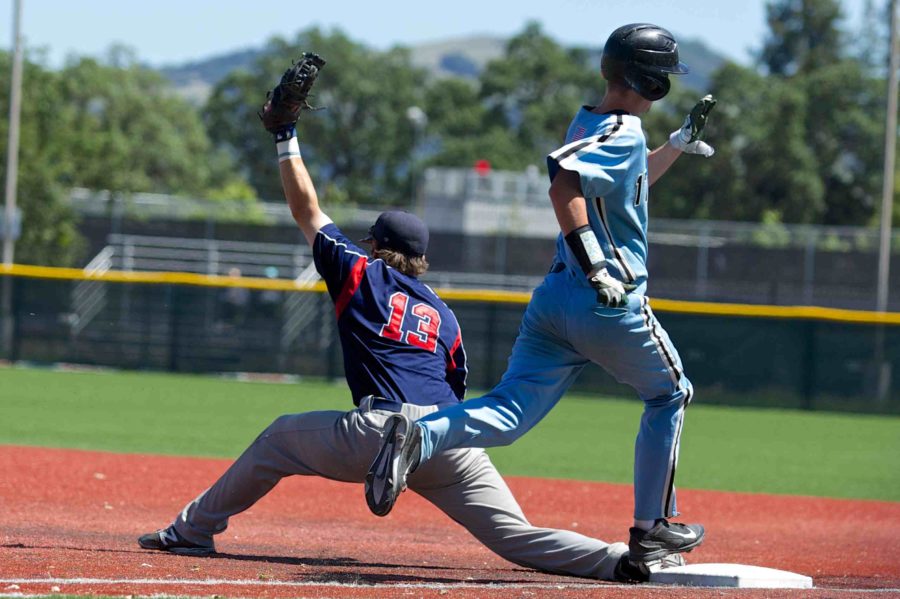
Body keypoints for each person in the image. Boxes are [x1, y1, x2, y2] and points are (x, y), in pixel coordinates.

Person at [137, 53, 676, 583]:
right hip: (447, 436)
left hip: (381, 431)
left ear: (375, 245)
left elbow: (308, 210)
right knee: (513, 533)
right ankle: (615, 560)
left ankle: (192, 530)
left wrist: (285, 135)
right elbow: (454, 388)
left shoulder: (359, 273)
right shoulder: (444, 316)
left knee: (277, 440)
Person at [366, 23, 717, 570]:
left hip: (555, 300)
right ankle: (653, 529)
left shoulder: (594, 121)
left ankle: (420, 430)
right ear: (647, 79)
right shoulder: (621, 131)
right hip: (605, 300)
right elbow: (564, 186)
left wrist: (673, 146)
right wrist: (597, 263)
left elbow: (624, 182)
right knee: (671, 394)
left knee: (509, 411)